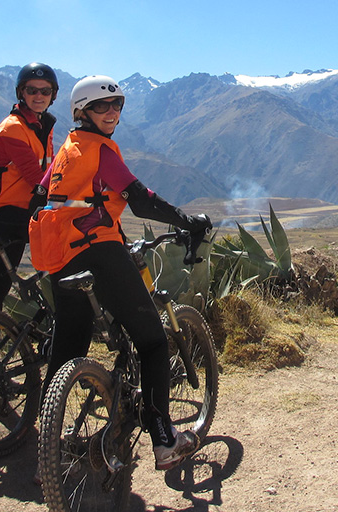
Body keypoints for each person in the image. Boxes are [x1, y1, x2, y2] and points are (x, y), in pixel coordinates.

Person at [29, 75, 212, 471]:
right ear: (81, 112)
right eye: (101, 106)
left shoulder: (66, 151)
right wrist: (187, 220)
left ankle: (50, 447)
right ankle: (163, 440)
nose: (111, 112)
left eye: (117, 105)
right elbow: (141, 200)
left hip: (61, 260)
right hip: (99, 255)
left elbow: (40, 197)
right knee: (152, 342)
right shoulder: (100, 150)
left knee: (67, 352)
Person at [0, 62, 57, 317]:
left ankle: (42, 318)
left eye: (45, 91)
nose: (38, 96)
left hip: (18, 210)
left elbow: (52, 174)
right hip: (1, 213)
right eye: (32, 90)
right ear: (21, 93)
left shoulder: (39, 127)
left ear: (53, 95)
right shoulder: (13, 129)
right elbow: (36, 179)